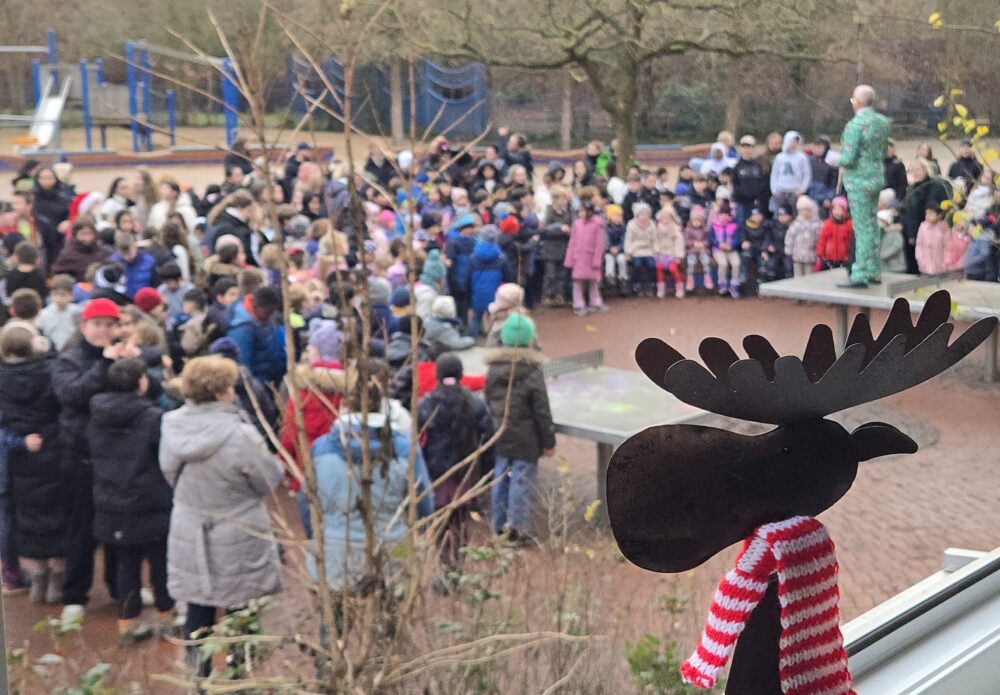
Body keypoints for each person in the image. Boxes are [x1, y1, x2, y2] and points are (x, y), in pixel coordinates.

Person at [160, 355, 283, 677]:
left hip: (189, 526)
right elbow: (268, 479)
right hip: (238, 529)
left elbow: (169, 472)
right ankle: (238, 677)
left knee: (197, 610)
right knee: (241, 611)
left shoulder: (171, 425)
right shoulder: (241, 435)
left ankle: (198, 678)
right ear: (219, 392)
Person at [308, 376, 434, 643]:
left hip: (336, 547)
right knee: (389, 619)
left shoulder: (321, 448)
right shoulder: (403, 448)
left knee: (334, 623)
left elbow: (307, 500)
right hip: (393, 545)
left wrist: (316, 534)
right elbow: (423, 499)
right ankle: (386, 663)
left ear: (345, 403)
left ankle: (329, 663)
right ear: (382, 404)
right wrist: (420, 530)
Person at [51, 298, 141, 622]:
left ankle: (120, 588)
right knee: (80, 527)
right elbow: (71, 395)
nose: (104, 330)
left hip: (116, 455)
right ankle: (75, 595)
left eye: (109, 324)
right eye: (98, 324)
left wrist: (135, 365)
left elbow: (144, 393)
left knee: (118, 525)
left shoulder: (122, 354)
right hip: (79, 455)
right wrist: (104, 364)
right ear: (84, 327)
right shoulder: (68, 360)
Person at [87, 358, 174, 645]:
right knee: (160, 561)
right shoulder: (153, 417)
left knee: (126, 562)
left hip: (110, 498)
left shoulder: (96, 414)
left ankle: (127, 622)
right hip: (150, 498)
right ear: (141, 382)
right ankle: (167, 615)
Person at [0, 322, 63, 604]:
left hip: (20, 455)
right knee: (56, 510)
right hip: (52, 448)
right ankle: (58, 574)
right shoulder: (49, 371)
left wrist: (19, 441)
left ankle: (37, 575)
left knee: (27, 515)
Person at [418, 353, 494, 573]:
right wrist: (486, 471)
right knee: (460, 521)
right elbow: (488, 437)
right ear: (461, 374)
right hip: (465, 473)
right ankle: (457, 564)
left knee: (440, 521)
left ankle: (443, 562)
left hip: (437, 473)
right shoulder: (475, 402)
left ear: (437, 374)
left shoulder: (426, 403)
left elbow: (417, 437)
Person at [484, 314, 554, 545]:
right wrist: (549, 442)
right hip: (526, 440)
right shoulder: (533, 370)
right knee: (521, 483)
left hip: (500, 434)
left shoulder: (493, 369)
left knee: (501, 478)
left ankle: (498, 527)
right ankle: (516, 530)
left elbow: (488, 399)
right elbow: (542, 411)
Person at [829, 85, 891, 288]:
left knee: (862, 227)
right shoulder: (883, 122)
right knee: (872, 224)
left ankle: (861, 273)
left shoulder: (855, 125)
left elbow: (848, 158)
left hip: (858, 182)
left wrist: (832, 159)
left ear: (857, 102)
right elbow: (882, 151)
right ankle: (874, 269)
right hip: (875, 178)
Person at [227, 286, 287, 386]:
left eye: (272, 313)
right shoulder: (242, 329)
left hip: (271, 381)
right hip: (257, 385)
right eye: (266, 313)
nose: (269, 316)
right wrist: (257, 388)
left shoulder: (267, 322)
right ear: (255, 306)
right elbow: (242, 366)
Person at [900, 160, 952, 274]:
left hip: (933, 231)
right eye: (912, 170)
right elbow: (908, 211)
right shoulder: (912, 188)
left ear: (926, 169)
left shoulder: (938, 186)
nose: (915, 172)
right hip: (914, 230)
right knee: (915, 262)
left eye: (918, 169)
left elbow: (947, 206)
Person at [565, 190, 608, 316]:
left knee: (593, 282)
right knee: (577, 282)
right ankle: (578, 304)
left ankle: (595, 302)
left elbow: (599, 244)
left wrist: (597, 260)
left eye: (582, 211)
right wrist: (570, 259)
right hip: (578, 257)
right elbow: (572, 242)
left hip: (591, 257)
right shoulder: (577, 224)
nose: (580, 213)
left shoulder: (597, 225)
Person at [469, 227, 511, 339]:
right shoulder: (501, 256)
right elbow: (508, 276)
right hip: (495, 291)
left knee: (476, 317)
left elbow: (468, 274)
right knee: (496, 317)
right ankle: (494, 340)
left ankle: (471, 339)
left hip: (477, 291)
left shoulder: (473, 256)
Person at [540, 186, 573, 307]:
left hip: (563, 247)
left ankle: (559, 295)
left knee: (561, 274)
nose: (564, 201)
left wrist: (569, 230)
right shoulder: (549, 212)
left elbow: (570, 226)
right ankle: (547, 296)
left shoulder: (567, 213)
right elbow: (545, 229)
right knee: (550, 274)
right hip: (550, 249)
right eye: (562, 198)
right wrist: (560, 228)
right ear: (555, 199)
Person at [769, 131, 811, 214]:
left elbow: (807, 175)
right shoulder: (779, 157)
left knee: (795, 214)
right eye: (791, 141)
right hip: (780, 191)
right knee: (779, 215)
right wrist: (774, 190)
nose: (793, 144)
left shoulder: (802, 157)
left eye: (796, 142)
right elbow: (774, 175)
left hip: (795, 192)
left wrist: (802, 190)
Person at [37, 274, 82, 351]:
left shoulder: (78, 312)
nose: (58, 299)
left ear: (72, 295)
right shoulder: (44, 314)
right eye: (55, 294)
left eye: (63, 295)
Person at [730, 136, 767, 227]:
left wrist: (756, 194)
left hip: (754, 202)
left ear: (753, 148)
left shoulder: (758, 166)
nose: (747, 149)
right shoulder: (737, 166)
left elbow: (761, 182)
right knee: (740, 224)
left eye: (749, 146)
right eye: (744, 146)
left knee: (755, 225)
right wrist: (742, 194)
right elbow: (734, 183)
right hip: (741, 202)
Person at [110, 232, 158, 299]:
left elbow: (156, 284)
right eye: (123, 254)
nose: (126, 258)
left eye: (129, 253)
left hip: (144, 299)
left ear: (134, 247)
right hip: (123, 301)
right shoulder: (113, 262)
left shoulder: (149, 261)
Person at [710, 200, 742, 298]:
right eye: (722, 214)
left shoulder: (735, 225)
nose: (724, 216)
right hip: (718, 249)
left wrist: (731, 246)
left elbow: (737, 238)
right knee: (723, 263)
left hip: (731, 249)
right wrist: (719, 244)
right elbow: (711, 238)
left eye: (727, 214)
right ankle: (722, 285)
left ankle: (734, 285)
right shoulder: (714, 225)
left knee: (736, 263)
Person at [653, 205, 686, 299]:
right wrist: (656, 251)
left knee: (673, 269)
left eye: (668, 217)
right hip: (661, 254)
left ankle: (679, 288)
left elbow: (679, 244)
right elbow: (655, 241)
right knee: (658, 268)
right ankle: (661, 289)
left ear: (672, 218)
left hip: (672, 255)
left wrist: (678, 256)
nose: (665, 219)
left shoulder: (676, 230)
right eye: (663, 217)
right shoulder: (657, 229)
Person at [785, 196, 822, 277]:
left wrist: (819, 253)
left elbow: (819, 239)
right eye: (801, 210)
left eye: (806, 210)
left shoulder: (816, 224)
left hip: (810, 256)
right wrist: (789, 251)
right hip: (797, 255)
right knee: (798, 276)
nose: (803, 212)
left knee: (809, 276)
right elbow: (789, 238)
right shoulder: (796, 223)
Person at [816, 196, 853, 270]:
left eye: (839, 209)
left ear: (845, 211)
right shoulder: (827, 223)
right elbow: (822, 239)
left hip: (844, 258)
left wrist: (848, 255)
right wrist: (820, 253)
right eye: (834, 209)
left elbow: (850, 241)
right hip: (829, 257)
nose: (836, 212)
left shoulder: (849, 224)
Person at [683, 205, 714, 292]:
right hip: (692, 251)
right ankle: (690, 279)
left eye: (698, 220)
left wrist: (703, 244)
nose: (696, 222)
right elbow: (685, 241)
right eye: (694, 220)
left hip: (703, 250)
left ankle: (707, 278)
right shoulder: (687, 229)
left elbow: (708, 240)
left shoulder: (705, 230)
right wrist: (693, 243)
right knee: (691, 262)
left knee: (705, 261)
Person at [915, 204, 951, 275]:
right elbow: (919, 245)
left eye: (931, 213)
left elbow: (948, 247)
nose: (927, 216)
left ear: (939, 215)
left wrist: (946, 263)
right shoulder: (923, 227)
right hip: (925, 266)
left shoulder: (943, 228)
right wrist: (920, 260)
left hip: (941, 267)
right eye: (926, 214)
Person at [884, 139, 908, 204]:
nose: (888, 150)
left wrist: (899, 200)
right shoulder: (876, 163)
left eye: (890, 147)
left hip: (893, 197)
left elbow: (902, 184)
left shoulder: (898, 164)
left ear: (893, 149)